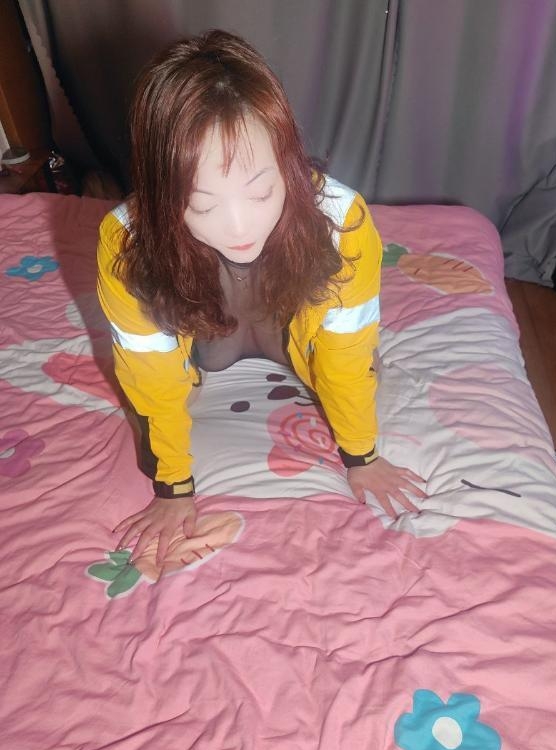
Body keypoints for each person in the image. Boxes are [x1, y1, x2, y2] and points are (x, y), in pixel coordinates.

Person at [97, 30, 426, 569]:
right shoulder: (127, 242)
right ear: (160, 192)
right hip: (204, 347)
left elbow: (345, 352)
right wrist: (173, 486)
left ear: (288, 163)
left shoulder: (341, 221)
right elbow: (148, 374)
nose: (238, 227)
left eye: (260, 191)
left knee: (362, 365)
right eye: (202, 205)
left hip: (294, 337)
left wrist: (361, 456)